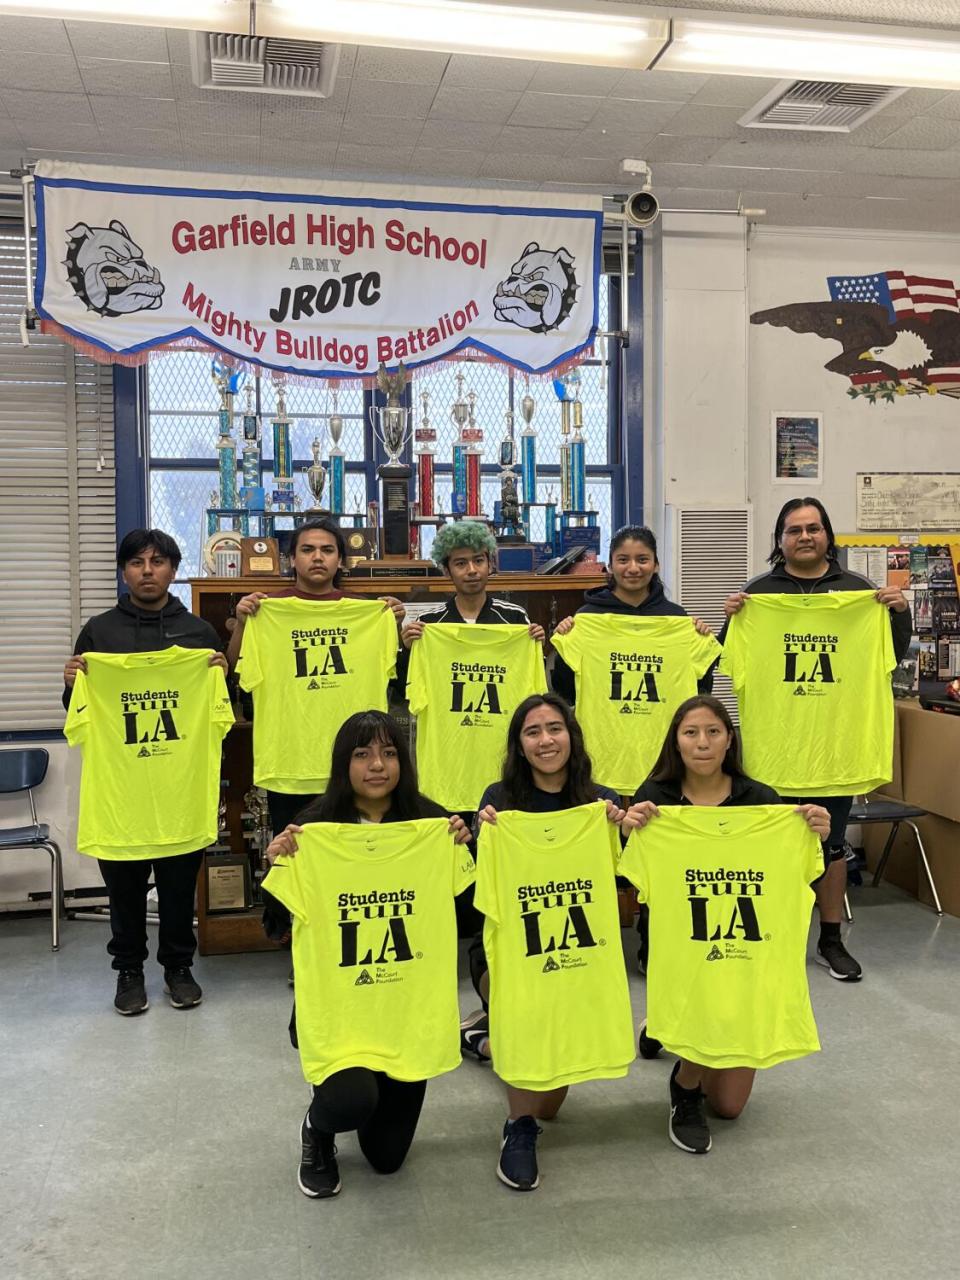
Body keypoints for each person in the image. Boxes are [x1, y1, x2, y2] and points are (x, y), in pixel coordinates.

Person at [261, 710, 471, 1199]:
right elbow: (275, 927)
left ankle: (366, 1101)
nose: (377, 765)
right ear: (343, 764)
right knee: (354, 1100)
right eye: (362, 754)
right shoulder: (314, 829)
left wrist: (467, 846)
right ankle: (318, 1130)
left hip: (405, 1011)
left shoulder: (430, 823)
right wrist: (275, 867)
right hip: (341, 1011)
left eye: (389, 753)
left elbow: (469, 915)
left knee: (387, 1159)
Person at [622, 695, 830, 1155]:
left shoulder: (763, 802)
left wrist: (817, 831)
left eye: (713, 732)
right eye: (690, 733)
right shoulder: (654, 800)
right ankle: (684, 1083)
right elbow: (626, 876)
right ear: (675, 742)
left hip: (745, 956)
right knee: (698, 1009)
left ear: (729, 739)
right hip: (681, 951)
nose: (702, 743)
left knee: (731, 1107)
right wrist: (628, 830)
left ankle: (662, 1025)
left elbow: (806, 869)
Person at [721, 497, 912, 982]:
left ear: (827, 535)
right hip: (775, 750)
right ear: (780, 540)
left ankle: (829, 939)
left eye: (813, 528)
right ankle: (774, 937)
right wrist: (733, 617)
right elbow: (728, 659)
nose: (804, 537)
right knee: (771, 849)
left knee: (830, 849)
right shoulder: (758, 594)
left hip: (834, 746)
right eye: (793, 530)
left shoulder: (858, 592)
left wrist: (898, 613)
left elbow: (890, 655)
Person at [62, 529, 227, 1016]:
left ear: (173, 570)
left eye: (158, 561)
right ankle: (128, 973)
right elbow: (75, 714)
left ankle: (179, 968)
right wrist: (71, 683)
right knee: (125, 895)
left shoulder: (198, 634)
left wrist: (216, 672)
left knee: (179, 892)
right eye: (136, 562)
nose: (147, 570)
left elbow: (222, 714)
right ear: (124, 571)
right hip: (121, 796)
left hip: (180, 792)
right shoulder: (99, 633)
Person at [467, 693, 627, 1191]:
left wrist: (629, 827)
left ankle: (481, 1037)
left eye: (554, 728)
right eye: (532, 732)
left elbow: (627, 876)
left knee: (552, 1101)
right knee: (528, 1041)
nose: (545, 740)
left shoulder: (600, 801)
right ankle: (517, 1128)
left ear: (571, 736)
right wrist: (479, 833)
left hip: (576, 953)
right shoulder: (500, 799)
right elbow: (482, 880)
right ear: (519, 744)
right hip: (516, 951)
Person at [225, 517, 404, 836]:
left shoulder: (366, 612)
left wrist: (394, 625)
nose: (318, 557)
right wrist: (242, 622)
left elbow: (394, 672)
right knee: (296, 866)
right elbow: (236, 669)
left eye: (327, 550)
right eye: (307, 550)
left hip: (355, 765)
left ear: (341, 561)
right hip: (290, 764)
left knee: (352, 861)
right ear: (292, 559)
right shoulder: (267, 610)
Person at [551, 524, 712, 704]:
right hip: (604, 730)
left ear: (656, 565)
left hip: (663, 730)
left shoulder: (676, 618)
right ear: (610, 565)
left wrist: (701, 640)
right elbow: (565, 692)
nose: (633, 568)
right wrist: (564, 648)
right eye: (623, 560)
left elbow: (699, 690)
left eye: (642, 560)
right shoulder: (589, 617)